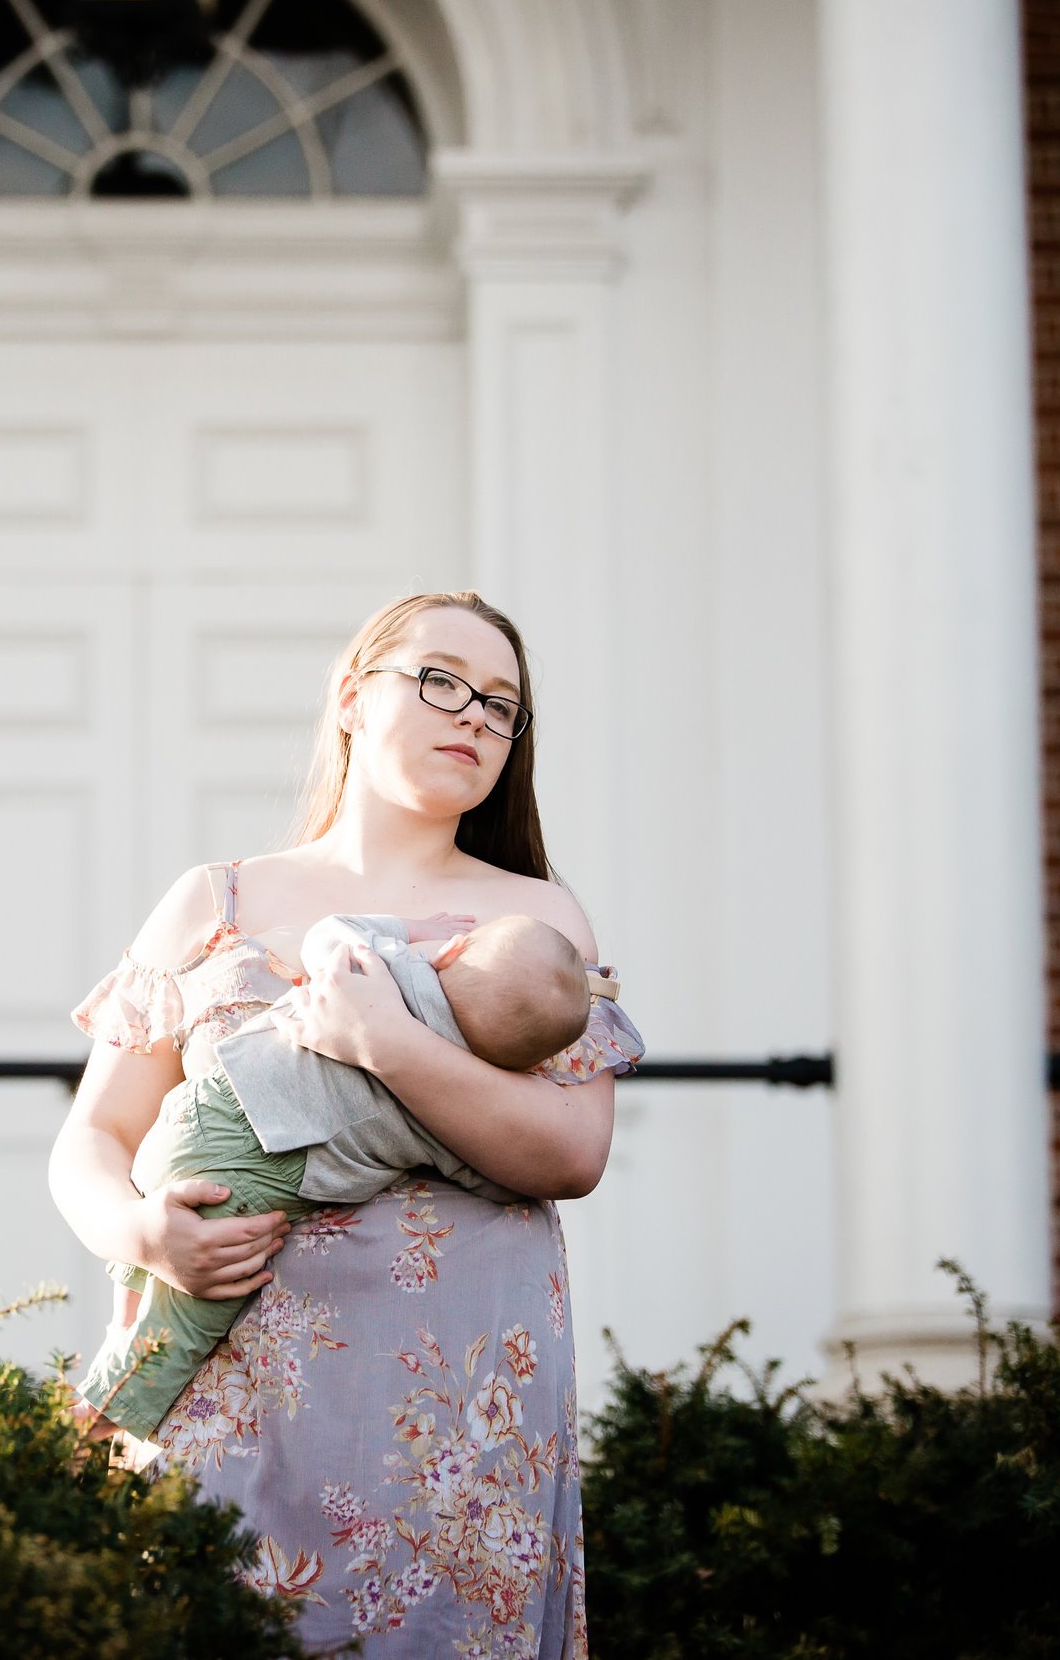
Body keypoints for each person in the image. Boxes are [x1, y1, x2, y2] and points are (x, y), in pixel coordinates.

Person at [51, 590, 629, 1657]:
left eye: (502, 706)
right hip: (232, 1392)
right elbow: (91, 1140)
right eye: (441, 680)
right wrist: (140, 1232)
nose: (474, 717)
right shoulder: (214, 901)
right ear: (353, 696)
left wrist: (388, 1042)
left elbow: (573, 1152)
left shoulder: (535, 921)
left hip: (455, 1431)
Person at [75, 910, 640, 1443]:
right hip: (258, 1171)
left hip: (206, 1104)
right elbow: (497, 1178)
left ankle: (112, 1354)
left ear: (454, 950)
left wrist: (409, 928)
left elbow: (329, 933)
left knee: (150, 1277)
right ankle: (103, 1412)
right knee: (191, 1318)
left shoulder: (391, 970)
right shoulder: (446, 1105)